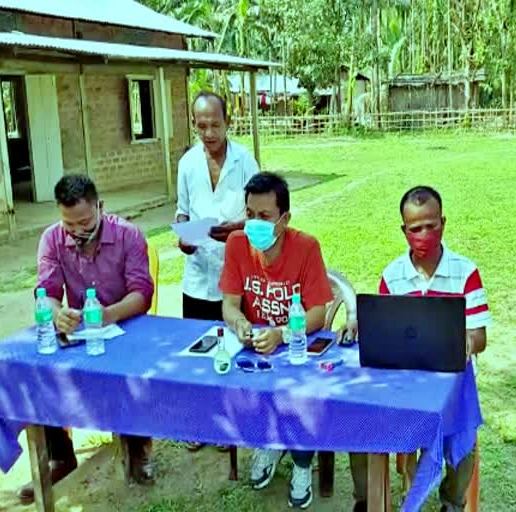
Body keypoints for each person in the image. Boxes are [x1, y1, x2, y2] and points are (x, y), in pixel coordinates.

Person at [349, 186, 490, 512]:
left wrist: (463, 342)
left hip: (451, 381)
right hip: (403, 379)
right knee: (361, 420)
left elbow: (480, 336)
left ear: (443, 222)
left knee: (464, 434)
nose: (424, 234)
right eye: (415, 228)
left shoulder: (464, 272)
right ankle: (368, 500)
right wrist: (364, 328)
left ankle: (451, 503)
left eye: (432, 225)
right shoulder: (392, 275)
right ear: (404, 231)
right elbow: (383, 329)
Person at [20, 175, 155, 504]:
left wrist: (106, 315)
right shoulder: (52, 239)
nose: (78, 231)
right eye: (69, 224)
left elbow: (142, 294)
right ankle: (60, 455)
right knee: (38, 369)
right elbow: (47, 293)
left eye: (85, 221)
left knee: (128, 367)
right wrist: (56, 313)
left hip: (126, 325)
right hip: (80, 329)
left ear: (100, 208)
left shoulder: (128, 235)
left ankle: (138, 447)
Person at [219, 172, 333, 509]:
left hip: (295, 345)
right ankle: (267, 442)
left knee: (302, 394)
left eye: (264, 217)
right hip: (254, 347)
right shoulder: (237, 244)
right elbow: (229, 304)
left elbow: (317, 313)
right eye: (250, 214)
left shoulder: (306, 247)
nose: (254, 223)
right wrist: (240, 323)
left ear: (284, 219)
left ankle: (301, 462)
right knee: (236, 382)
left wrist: (283, 333)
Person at [176, 91, 259, 451]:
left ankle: (229, 425)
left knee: (233, 348)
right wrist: (183, 234)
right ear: (194, 124)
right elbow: (182, 210)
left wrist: (237, 227)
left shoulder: (244, 161)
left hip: (235, 273)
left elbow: (260, 211)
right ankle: (199, 424)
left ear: (228, 122)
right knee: (198, 350)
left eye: (215, 125)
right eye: (202, 125)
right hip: (197, 274)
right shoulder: (187, 164)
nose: (209, 133)